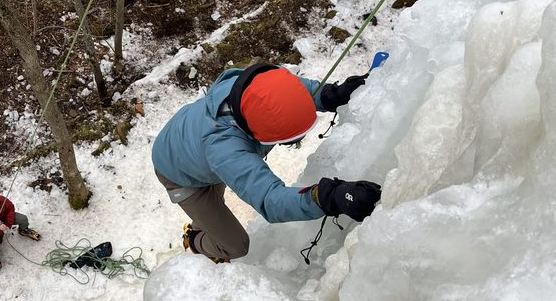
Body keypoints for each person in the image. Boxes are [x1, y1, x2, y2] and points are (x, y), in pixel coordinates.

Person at [152, 58, 386, 263]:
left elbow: (289, 91)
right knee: (235, 245)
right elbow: (270, 200)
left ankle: (207, 220)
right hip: (180, 175)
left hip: (192, 149)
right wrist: (328, 197)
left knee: (214, 205)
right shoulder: (226, 150)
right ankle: (194, 240)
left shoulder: (253, 88)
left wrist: (328, 95)